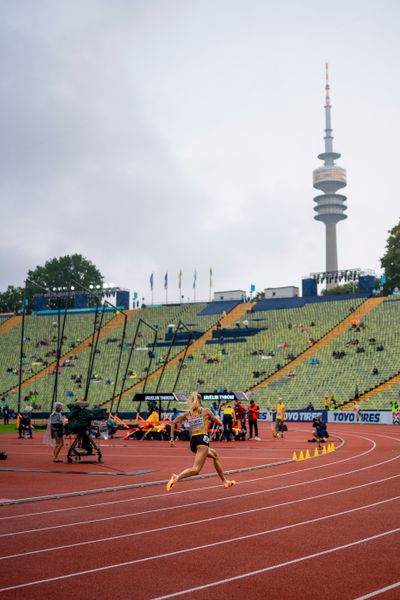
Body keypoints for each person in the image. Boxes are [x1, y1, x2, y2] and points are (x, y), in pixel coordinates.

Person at [166, 391, 235, 491]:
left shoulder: (188, 413)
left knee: (214, 455)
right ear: (200, 401)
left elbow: (172, 422)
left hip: (193, 441)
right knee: (196, 470)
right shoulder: (206, 411)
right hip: (202, 440)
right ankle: (177, 477)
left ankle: (225, 481)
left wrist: (172, 438)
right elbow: (220, 424)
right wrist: (217, 417)